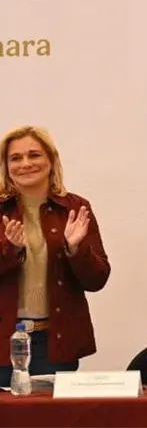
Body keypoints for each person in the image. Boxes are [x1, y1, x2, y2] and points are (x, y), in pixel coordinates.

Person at [0, 126, 110, 386]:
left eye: (34, 155)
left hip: (55, 342)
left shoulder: (75, 208)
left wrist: (75, 249)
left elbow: (97, 280)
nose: (25, 163)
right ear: (6, 167)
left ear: (51, 160)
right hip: (4, 342)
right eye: (15, 158)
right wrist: (10, 250)